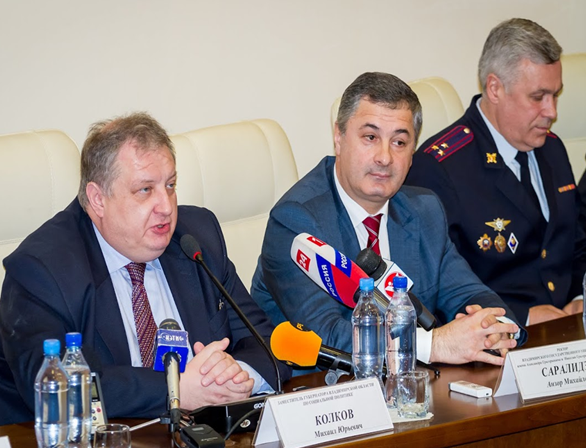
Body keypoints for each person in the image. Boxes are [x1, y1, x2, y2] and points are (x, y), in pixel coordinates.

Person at [0, 113, 290, 425]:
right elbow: (54, 387)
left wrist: (235, 377)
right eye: (145, 190)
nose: (166, 207)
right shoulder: (42, 269)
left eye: (170, 185)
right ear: (98, 199)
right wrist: (176, 390)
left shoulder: (196, 239)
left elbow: (268, 344)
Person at [251, 72, 523, 371]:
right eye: (370, 138)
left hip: (412, 386)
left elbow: (468, 293)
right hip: (323, 389)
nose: (385, 157)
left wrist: (495, 329)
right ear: (339, 137)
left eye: (399, 142)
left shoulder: (424, 210)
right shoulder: (296, 220)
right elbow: (326, 336)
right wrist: (434, 345)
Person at [405, 18, 586, 326]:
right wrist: (520, 316)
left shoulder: (553, 148)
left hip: (568, 331)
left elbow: (576, 243)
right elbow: (433, 289)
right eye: (538, 97)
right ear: (495, 88)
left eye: (555, 95)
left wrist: (580, 297)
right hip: (495, 338)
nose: (552, 111)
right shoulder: (439, 168)